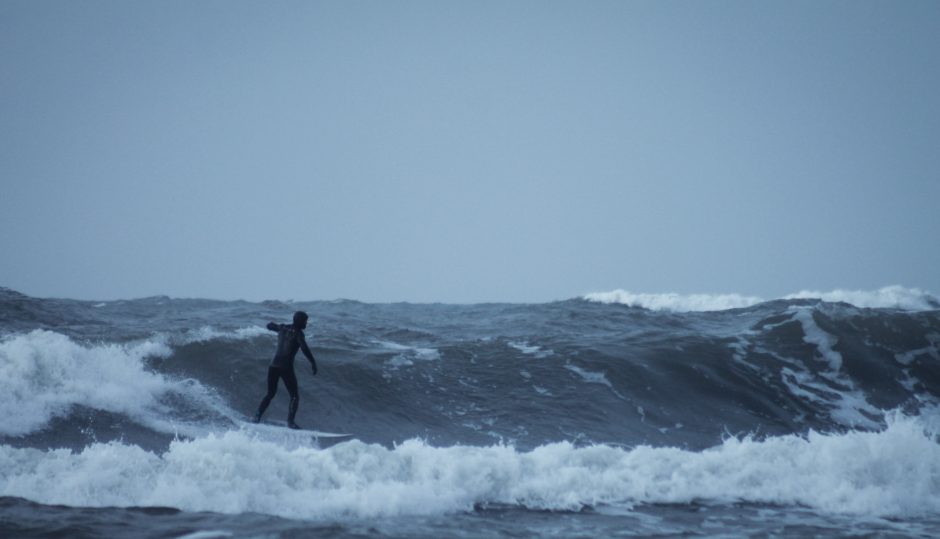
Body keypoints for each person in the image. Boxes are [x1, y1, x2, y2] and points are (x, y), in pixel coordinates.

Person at [252, 310, 318, 429]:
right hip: (285, 367)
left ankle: (257, 416)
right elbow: (304, 347)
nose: (306, 324)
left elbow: (270, 325)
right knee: (294, 396)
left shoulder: (283, 328)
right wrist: (313, 362)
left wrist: (272, 325)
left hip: (273, 365)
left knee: (270, 394)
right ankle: (290, 422)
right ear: (300, 322)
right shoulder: (298, 333)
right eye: (305, 321)